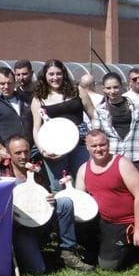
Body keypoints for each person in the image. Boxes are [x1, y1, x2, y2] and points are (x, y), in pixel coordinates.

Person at [0, 136, 91, 273]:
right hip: (20, 227)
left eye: (26, 151)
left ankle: (67, 251)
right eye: (18, 153)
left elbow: (44, 194)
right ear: (9, 153)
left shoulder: (37, 169)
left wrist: (50, 198)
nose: (23, 156)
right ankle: (25, 250)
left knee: (64, 203)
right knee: (38, 269)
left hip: (41, 220)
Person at [75, 130, 139, 271]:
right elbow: (80, 201)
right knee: (75, 225)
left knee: (109, 266)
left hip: (125, 222)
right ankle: (98, 248)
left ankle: (135, 247)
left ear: (108, 144)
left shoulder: (122, 164)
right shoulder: (83, 169)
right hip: (101, 221)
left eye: (102, 145)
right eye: (94, 146)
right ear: (87, 147)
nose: (98, 149)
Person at [31, 59, 96, 191]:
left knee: (84, 185)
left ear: (64, 74)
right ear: (45, 76)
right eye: (51, 74)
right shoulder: (38, 98)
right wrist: (43, 151)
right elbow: (36, 129)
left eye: (58, 73)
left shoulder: (77, 90)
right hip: (55, 148)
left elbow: (94, 116)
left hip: (81, 144)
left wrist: (94, 139)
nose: (55, 77)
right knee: (59, 187)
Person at [91, 72, 139, 181]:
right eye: (108, 88)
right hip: (112, 158)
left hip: (135, 157)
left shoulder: (136, 106)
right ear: (103, 89)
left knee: (138, 194)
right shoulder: (100, 110)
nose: (112, 91)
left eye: (115, 87)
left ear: (121, 87)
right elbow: (96, 139)